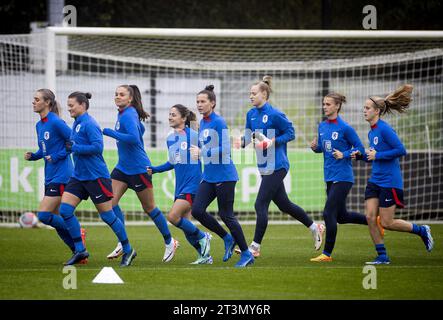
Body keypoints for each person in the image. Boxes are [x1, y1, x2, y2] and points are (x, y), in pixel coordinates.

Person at [234, 76, 324, 258]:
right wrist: (240, 142)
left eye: (254, 93)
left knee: (260, 204)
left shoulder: (275, 114)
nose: (250, 96)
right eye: (249, 93)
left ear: (264, 94)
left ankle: (255, 247)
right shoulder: (250, 114)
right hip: (264, 166)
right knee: (284, 204)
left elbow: (291, 133)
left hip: (278, 165)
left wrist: (273, 141)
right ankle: (315, 227)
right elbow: (248, 136)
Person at [352, 84, 434, 264]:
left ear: (377, 111)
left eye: (367, 108)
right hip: (375, 180)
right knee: (370, 217)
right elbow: (374, 157)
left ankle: (421, 230)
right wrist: (360, 156)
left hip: (390, 182)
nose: (363, 111)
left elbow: (401, 150)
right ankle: (382, 256)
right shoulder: (372, 131)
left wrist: (377, 155)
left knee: (387, 223)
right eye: (364, 108)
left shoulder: (385, 129)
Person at [60, 91, 136, 267]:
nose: (69, 108)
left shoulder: (90, 123)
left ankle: (128, 249)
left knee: (108, 216)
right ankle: (80, 250)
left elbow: (97, 147)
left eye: (71, 104)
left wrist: (75, 148)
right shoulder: (76, 123)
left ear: (82, 105)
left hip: (96, 176)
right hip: (79, 176)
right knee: (65, 210)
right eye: (68, 104)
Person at [102, 85, 178, 262]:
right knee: (109, 203)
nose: (117, 97)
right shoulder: (125, 113)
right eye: (116, 94)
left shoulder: (128, 114)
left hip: (138, 168)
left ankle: (169, 241)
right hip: (122, 168)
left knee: (149, 208)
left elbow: (134, 137)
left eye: (121, 95)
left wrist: (110, 132)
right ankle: (123, 243)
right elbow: (140, 131)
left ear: (130, 99)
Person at [189, 85, 254, 268]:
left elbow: (225, 149)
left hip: (225, 176)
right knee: (197, 211)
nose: (199, 105)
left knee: (226, 215)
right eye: (198, 102)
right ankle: (227, 238)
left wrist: (203, 152)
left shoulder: (219, 122)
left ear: (213, 103)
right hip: (209, 176)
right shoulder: (202, 122)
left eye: (203, 102)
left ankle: (247, 254)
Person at [25, 89, 87, 262]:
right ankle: (78, 252)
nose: (33, 102)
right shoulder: (39, 125)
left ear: (47, 103)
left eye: (37, 99)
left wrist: (58, 156)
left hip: (63, 175)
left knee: (44, 215)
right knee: (58, 219)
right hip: (50, 175)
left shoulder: (56, 122)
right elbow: (45, 150)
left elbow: (72, 142)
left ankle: (79, 234)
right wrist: (35, 156)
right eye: (34, 99)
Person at [148, 104, 212, 264]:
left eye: (174, 115)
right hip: (180, 185)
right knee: (185, 225)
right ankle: (205, 256)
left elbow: (211, 152)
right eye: (169, 114)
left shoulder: (194, 135)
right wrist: (155, 170)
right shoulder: (170, 138)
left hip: (194, 184)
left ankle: (203, 236)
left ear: (183, 118)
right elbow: (172, 162)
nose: (170, 117)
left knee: (172, 216)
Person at [309, 92, 368, 262]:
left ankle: (326, 254)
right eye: (323, 104)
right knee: (341, 216)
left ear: (337, 106)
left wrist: (345, 154)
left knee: (328, 213)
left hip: (343, 177)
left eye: (328, 104)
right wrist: (315, 147)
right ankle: (374, 221)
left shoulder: (345, 128)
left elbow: (361, 149)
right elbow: (323, 148)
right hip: (329, 176)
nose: (324, 107)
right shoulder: (322, 126)